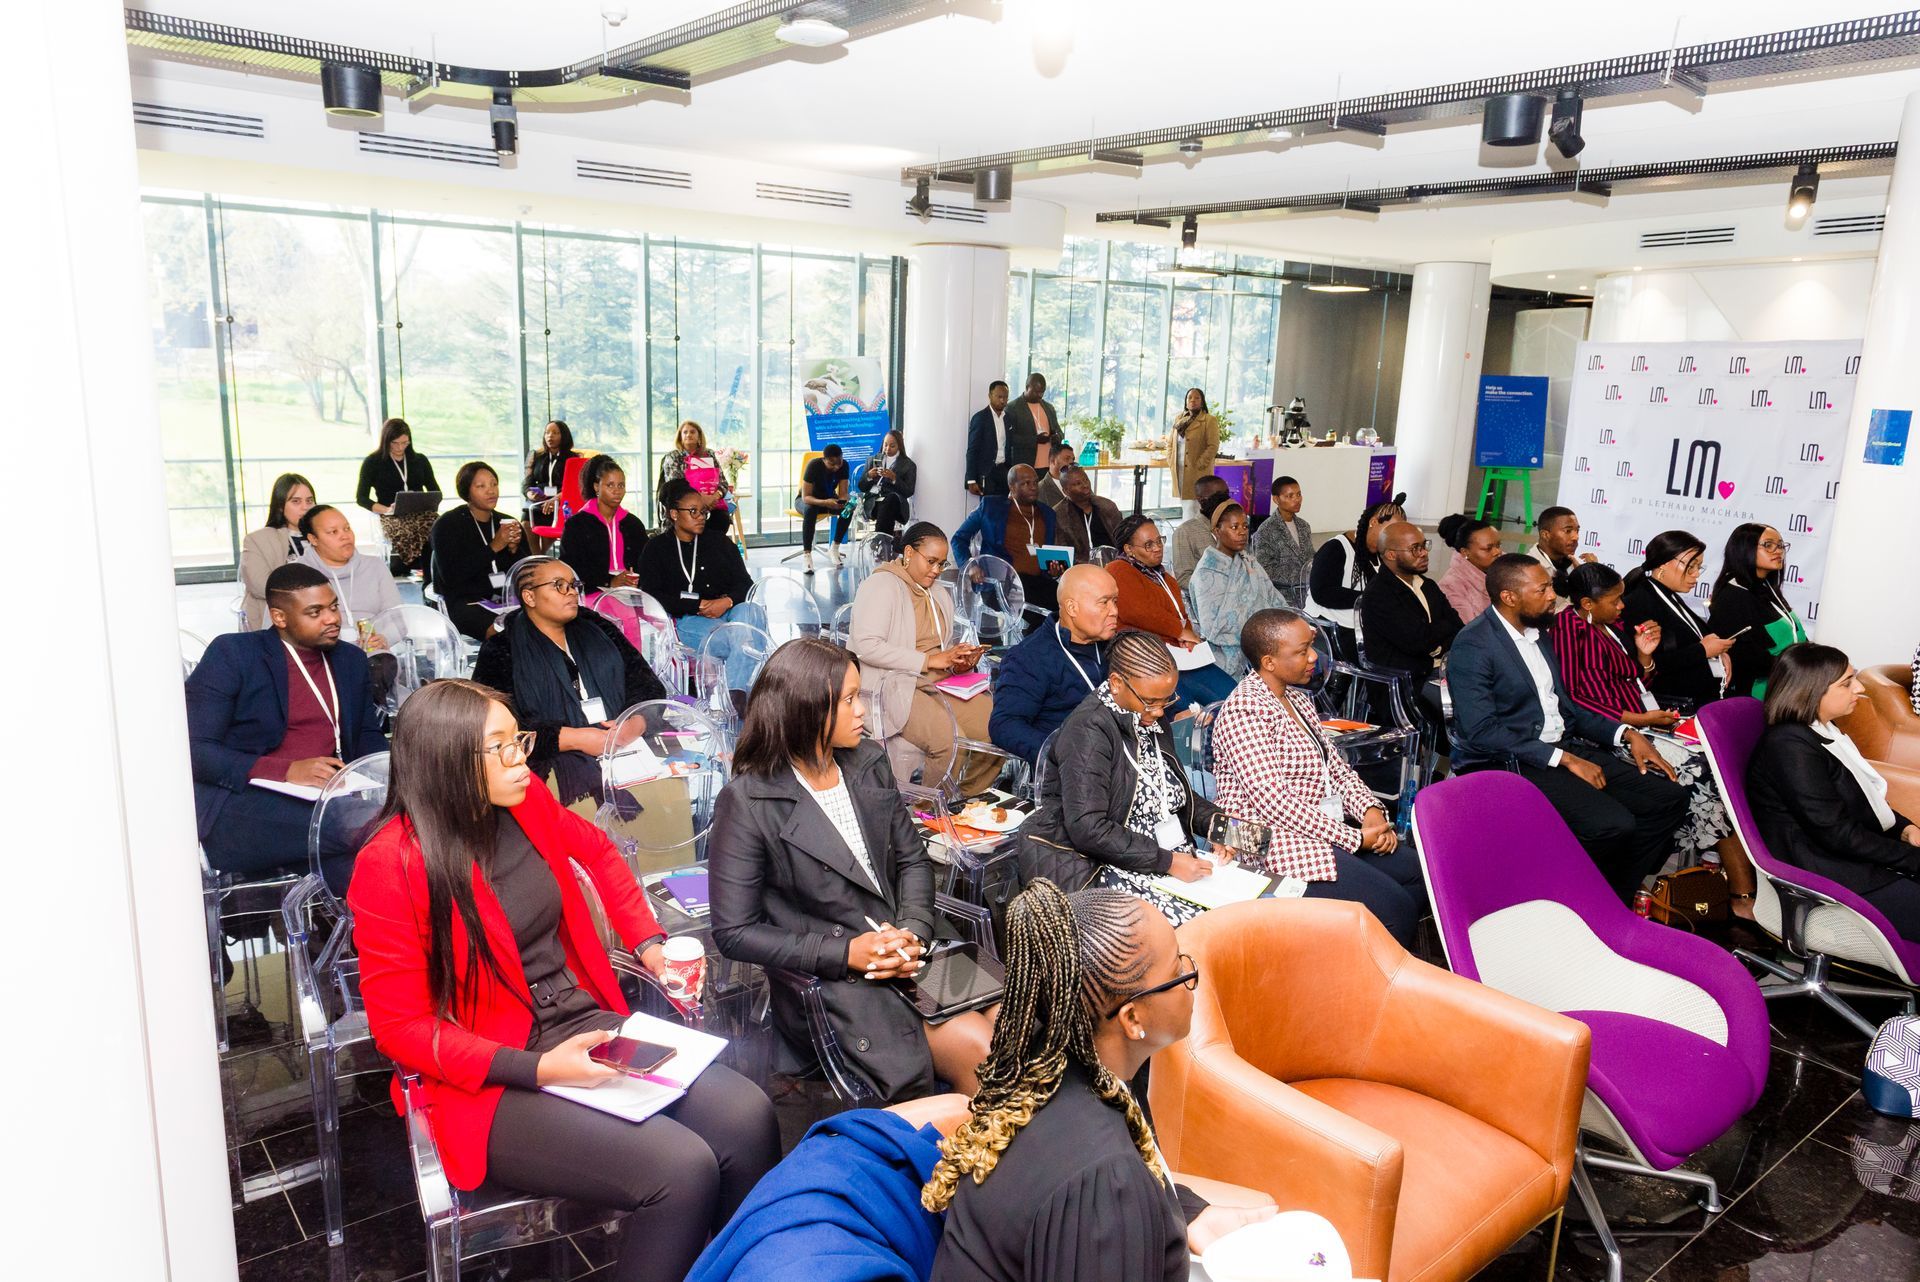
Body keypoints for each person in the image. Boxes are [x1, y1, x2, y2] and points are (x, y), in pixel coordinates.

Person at [347, 679, 779, 1282]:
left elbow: (599, 852)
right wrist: (540, 1070)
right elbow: (400, 1029)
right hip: (490, 1077)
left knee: (748, 1116)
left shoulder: (522, 804)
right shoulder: (389, 863)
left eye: (517, 739)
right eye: (499, 748)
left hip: (580, 1024)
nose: (522, 758)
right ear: (446, 762)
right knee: (679, 1170)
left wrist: (648, 943)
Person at [925, 880, 1274, 1282]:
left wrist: (1185, 1211)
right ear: (1132, 1019)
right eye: (1178, 969)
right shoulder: (1106, 1184)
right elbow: (1097, 1195)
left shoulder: (1046, 1060)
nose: (1190, 976)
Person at [708, 638, 997, 1101]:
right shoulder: (749, 801)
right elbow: (735, 931)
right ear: (806, 711)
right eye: (848, 700)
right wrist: (849, 954)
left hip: (910, 944)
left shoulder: (867, 763)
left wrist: (912, 930)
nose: (862, 710)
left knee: (1014, 1021)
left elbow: (912, 861)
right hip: (837, 978)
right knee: (980, 1052)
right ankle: (962, 1166)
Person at [1449, 554, 1689, 899]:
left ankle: (1607, 896)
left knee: (1669, 799)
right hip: (1512, 759)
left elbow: (1567, 709)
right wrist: (1565, 760)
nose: (1553, 595)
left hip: (1561, 745)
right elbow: (1481, 730)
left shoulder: (1539, 634)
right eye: (1543, 588)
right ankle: (1559, 897)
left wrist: (1627, 733)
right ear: (1509, 597)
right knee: (1613, 824)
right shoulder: (1475, 644)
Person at [1212, 608, 1427, 946]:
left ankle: (1371, 963)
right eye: (1301, 652)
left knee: (1420, 874)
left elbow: (1335, 768)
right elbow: (1274, 803)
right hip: (1262, 839)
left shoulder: (1296, 699)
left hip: (1318, 826)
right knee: (1394, 907)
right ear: (1268, 662)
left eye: (1310, 646)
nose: (1313, 657)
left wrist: (1370, 812)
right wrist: (1355, 838)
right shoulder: (1244, 711)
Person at [1554, 562, 1747, 905]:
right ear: (1587, 603)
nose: (1622, 606)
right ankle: (1736, 888)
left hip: (1641, 720)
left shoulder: (1609, 626)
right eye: (1614, 600)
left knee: (1721, 765)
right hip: (1608, 732)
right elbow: (1577, 698)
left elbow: (1634, 682)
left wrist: (1644, 656)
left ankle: (1719, 874)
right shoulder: (1569, 630)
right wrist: (1637, 722)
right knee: (1701, 774)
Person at [186, 564, 388, 877]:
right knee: (375, 826)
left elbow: (365, 736)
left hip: (328, 800)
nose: (332, 618)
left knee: (361, 862)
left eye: (333, 607)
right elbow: (194, 750)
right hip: (241, 805)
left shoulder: (350, 659)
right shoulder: (235, 655)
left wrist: (396, 779)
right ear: (280, 617)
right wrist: (287, 771)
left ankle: (349, 926)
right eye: (315, 612)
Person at [1022, 634, 1225, 926]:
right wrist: (1168, 862)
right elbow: (1088, 828)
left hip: (1167, 859)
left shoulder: (1144, 715)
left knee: (1243, 917)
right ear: (1116, 683)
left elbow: (1176, 794)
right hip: (1111, 865)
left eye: (1167, 700)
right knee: (1207, 931)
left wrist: (1225, 830)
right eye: (1151, 702)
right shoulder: (1088, 731)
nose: (1158, 713)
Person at [1749, 644, 1920, 941]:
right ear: (1812, 690)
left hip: (1850, 862)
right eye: (1847, 683)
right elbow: (1837, 832)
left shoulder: (1822, 732)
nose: (1860, 687)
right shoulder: (1790, 746)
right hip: (1830, 875)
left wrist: (1905, 829)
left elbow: (1859, 801)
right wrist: (1912, 858)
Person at [472, 555, 668, 806]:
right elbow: (492, 728)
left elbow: (648, 685)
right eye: (559, 585)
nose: (572, 593)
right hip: (550, 761)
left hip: (626, 747)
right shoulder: (502, 649)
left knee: (671, 792)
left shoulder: (598, 630)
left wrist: (637, 722)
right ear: (529, 597)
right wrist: (573, 738)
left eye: (574, 585)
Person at [850, 522, 999, 796]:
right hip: (895, 686)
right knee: (950, 741)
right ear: (908, 553)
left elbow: (941, 646)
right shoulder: (881, 585)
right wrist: (929, 661)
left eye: (941, 564)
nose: (936, 570)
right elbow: (866, 646)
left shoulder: (938, 592)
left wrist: (959, 659)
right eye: (930, 561)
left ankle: (963, 800)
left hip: (942, 682)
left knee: (998, 727)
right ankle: (928, 815)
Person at [989, 564, 1121, 765]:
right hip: (1072, 769)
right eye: (1104, 603)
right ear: (1072, 608)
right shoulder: (1030, 657)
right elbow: (1004, 725)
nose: (1114, 611)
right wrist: (1061, 752)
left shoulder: (1115, 645)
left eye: (1115, 601)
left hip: (1119, 753)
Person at [1108, 515, 1236, 707]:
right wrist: (1179, 631)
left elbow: (1181, 615)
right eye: (1149, 544)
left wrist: (1187, 637)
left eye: (1159, 541)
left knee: (1234, 696)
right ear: (1129, 549)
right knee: (1190, 712)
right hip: (1147, 661)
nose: (1158, 548)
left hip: (1181, 656)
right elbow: (1137, 612)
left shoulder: (1164, 577)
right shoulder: (1118, 569)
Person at [636, 478, 757, 655]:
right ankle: (748, 682)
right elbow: (651, 595)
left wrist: (726, 601)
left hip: (729, 610)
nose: (700, 517)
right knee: (742, 639)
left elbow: (746, 584)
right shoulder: (657, 548)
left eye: (703, 512)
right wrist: (697, 605)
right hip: (689, 617)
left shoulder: (719, 542)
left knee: (752, 612)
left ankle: (737, 684)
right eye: (693, 512)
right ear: (674, 514)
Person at [1620, 530, 1735, 711]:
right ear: (1664, 564)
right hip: (1671, 707)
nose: (1696, 574)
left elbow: (1697, 636)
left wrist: (1719, 652)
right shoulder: (1640, 602)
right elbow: (1649, 664)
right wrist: (1702, 650)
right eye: (1691, 566)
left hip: (1694, 702)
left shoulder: (1668, 594)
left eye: (1699, 567)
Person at [1707, 522, 1809, 699]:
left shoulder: (1766, 587)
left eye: (1780, 545)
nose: (1778, 551)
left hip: (1791, 686)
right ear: (1744, 549)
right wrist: (1801, 668)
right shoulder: (1732, 596)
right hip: (1759, 695)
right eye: (1768, 545)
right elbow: (1747, 659)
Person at [1186, 502, 1285, 682]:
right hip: (1225, 653)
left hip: (1264, 642)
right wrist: (1261, 635)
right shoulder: (1206, 574)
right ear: (1216, 531)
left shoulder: (1249, 562)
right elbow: (1213, 629)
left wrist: (1288, 626)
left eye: (1245, 526)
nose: (1242, 532)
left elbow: (1273, 598)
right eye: (1234, 527)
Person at [1359, 521, 1463, 690]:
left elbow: (1457, 626)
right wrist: (1441, 635)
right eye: (1415, 548)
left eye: (1424, 545)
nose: (1423, 553)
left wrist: (1436, 644)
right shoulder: (1379, 594)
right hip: (1406, 683)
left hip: (1441, 669)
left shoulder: (1427, 585)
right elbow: (1418, 642)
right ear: (1391, 555)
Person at [430, 462, 526, 642]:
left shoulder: (507, 522)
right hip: (465, 601)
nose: (491, 491)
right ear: (467, 491)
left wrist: (514, 550)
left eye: (493, 484)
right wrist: (494, 547)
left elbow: (527, 571)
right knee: (502, 631)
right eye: (481, 486)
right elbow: (451, 577)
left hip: (505, 598)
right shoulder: (447, 525)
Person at [951, 463, 1060, 612]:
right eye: (1026, 483)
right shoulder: (991, 507)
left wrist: (1052, 570)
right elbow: (958, 539)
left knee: (1068, 600)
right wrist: (970, 565)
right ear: (1012, 486)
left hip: (1038, 583)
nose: (1033, 487)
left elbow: (1047, 556)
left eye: (1035, 482)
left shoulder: (1048, 514)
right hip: (1001, 584)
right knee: (1041, 614)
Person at [1306, 495, 1405, 658]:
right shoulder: (1336, 548)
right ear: (1373, 522)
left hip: (1363, 625)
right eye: (1391, 530)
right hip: (1330, 630)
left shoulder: (1382, 554)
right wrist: (1369, 599)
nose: (1394, 537)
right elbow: (1322, 593)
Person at [298, 504, 400, 648]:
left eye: (347, 528)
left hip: (373, 654)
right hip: (320, 656)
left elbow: (398, 619)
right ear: (313, 539)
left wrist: (384, 638)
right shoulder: (296, 574)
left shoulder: (375, 566)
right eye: (333, 532)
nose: (345, 536)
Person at [356, 417, 440, 576]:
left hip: (421, 513)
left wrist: (426, 501)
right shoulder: (373, 462)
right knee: (403, 528)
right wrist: (386, 509)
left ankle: (432, 566)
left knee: (438, 525)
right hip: (391, 514)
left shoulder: (419, 460)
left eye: (405, 443)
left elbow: (435, 490)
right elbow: (361, 498)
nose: (400, 447)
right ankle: (413, 565)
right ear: (386, 440)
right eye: (395, 443)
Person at [559, 455, 648, 600]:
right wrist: (609, 581)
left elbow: (646, 564)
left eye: (621, 485)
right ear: (596, 487)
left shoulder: (633, 524)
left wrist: (636, 580)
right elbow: (570, 569)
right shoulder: (577, 524)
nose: (617, 491)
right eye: (610, 485)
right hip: (591, 593)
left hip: (631, 595)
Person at [240, 472, 316, 628]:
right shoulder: (257, 539)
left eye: (309, 501)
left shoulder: (324, 535)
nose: (305, 507)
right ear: (281, 506)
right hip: (276, 622)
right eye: (296, 501)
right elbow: (260, 586)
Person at [658, 420, 734, 537]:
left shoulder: (709, 454)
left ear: (699, 436)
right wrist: (700, 500)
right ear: (680, 437)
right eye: (685, 432)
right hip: (686, 506)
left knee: (722, 519)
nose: (689, 435)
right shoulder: (674, 457)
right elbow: (676, 486)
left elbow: (723, 483)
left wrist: (714, 496)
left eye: (692, 432)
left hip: (712, 504)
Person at [1249, 475, 1312, 608]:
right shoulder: (1266, 531)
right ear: (1276, 499)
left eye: (1299, 494)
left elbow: (1310, 556)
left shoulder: (1304, 526)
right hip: (1282, 599)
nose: (1297, 500)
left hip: (1308, 595)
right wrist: (1301, 576)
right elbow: (1265, 569)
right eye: (1290, 496)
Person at [522, 419, 580, 547]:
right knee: (526, 523)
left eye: (555, 433)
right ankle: (538, 558)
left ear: (563, 436)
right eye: (547, 432)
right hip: (538, 502)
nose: (550, 436)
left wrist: (556, 499)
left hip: (560, 503)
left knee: (550, 526)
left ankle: (540, 559)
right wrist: (530, 494)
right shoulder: (536, 456)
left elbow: (574, 487)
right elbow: (526, 483)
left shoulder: (573, 458)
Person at [1435, 514, 1502, 624]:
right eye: (1488, 548)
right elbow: (1470, 629)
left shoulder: (1506, 568)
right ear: (1465, 552)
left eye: (1498, 545)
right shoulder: (1451, 585)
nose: (1497, 552)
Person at [798, 444, 853, 573]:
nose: (836, 467)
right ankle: (807, 555)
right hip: (808, 501)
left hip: (829, 500)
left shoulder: (844, 465)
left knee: (849, 509)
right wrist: (825, 502)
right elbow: (806, 497)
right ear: (824, 459)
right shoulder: (814, 466)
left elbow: (843, 492)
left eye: (838, 463)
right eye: (831, 464)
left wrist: (844, 502)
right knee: (811, 509)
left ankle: (834, 548)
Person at [1052, 464, 1123, 562]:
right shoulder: (1059, 514)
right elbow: (1061, 552)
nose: (1085, 485)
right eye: (1078, 484)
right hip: (1080, 569)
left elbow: (1123, 540)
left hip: (1112, 564)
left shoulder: (1107, 506)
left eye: (1086, 480)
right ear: (1066, 491)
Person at [1167, 475, 1229, 587]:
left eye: (1226, 494)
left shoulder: (1235, 525)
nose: (1225, 500)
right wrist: (1221, 585)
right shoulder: (1185, 532)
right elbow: (1183, 579)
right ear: (1201, 499)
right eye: (1218, 496)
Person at [1003, 373, 1064, 483]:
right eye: (1036, 391)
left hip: (1049, 466)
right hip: (1026, 466)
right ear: (1027, 387)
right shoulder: (1012, 408)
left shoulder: (1049, 407)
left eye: (1042, 391)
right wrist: (1034, 440)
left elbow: (1059, 431)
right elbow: (1009, 438)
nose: (1040, 395)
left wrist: (1057, 437)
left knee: (1046, 499)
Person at [1530, 506, 1594, 610]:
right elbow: (1544, 617)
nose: (1575, 537)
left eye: (1577, 531)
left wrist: (1591, 572)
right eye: (1568, 531)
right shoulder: (1529, 571)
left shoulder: (1572, 565)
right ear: (1545, 535)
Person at [1169, 388, 1220, 518]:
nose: (1193, 400)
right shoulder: (1179, 419)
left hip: (1197, 471)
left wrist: (1200, 464)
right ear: (1185, 401)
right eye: (1189, 398)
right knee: (1185, 504)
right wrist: (1170, 460)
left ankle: (1191, 535)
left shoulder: (1209, 420)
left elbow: (1213, 446)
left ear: (1202, 402)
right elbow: (1170, 443)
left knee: (1194, 506)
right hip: (1179, 470)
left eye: (1197, 398)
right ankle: (1187, 533)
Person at [857, 429, 917, 536]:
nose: (887, 449)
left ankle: (879, 541)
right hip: (873, 504)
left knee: (890, 500)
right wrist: (869, 476)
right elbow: (861, 486)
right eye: (885, 445)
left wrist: (894, 478)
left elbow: (909, 491)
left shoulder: (908, 465)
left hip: (896, 505)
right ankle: (883, 543)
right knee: (885, 512)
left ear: (899, 446)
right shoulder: (872, 460)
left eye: (892, 446)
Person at [965, 380, 1012, 497]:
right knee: (987, 511)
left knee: (1005, 509)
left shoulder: (1008, 418)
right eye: (999, 396)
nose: (1002, 400)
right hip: (987, 473)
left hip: (1004, 471)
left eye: (1005, 397)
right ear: (990, 396)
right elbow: (972, 450)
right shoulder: (980, 418)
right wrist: (971, 480)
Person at [1036, 442, 1076, 510]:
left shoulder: (1079, 483)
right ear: (1053, 461)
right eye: (1067, 459)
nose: (1071, 463)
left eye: (1073, 459)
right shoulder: (1040, 490)